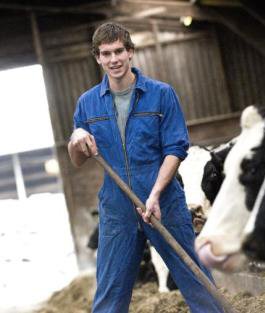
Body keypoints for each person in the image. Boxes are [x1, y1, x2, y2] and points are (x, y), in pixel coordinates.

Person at [68, 22, 223, 313]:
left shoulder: (161, 94)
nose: (113, 59)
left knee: (196, 280)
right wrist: (76, 138)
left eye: (118, 51)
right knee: (110, 292)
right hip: (117, 206)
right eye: (106, 53)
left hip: (163, 200)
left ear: (130, 53)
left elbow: (175, 149)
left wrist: (154, 194)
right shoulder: (87, 104)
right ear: (97, 58)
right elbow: (77, 160)